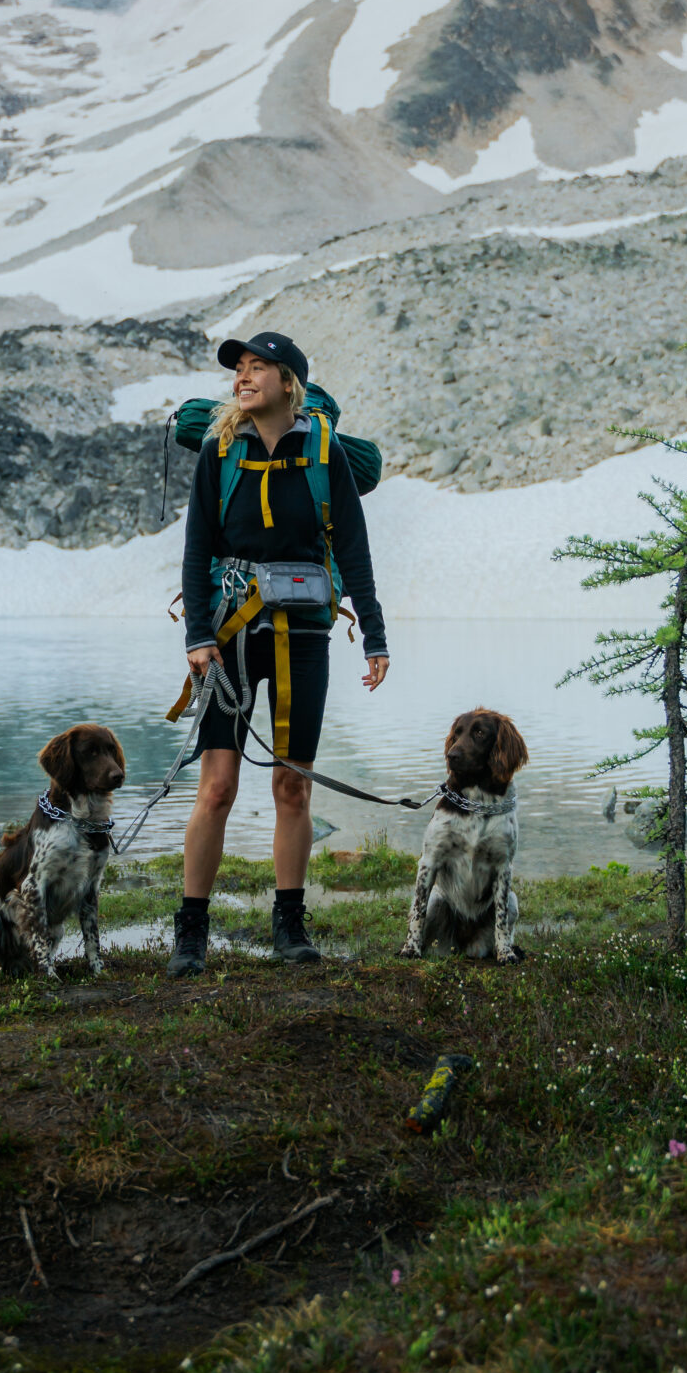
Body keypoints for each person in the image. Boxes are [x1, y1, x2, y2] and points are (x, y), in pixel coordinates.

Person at [168, 331, 389, 978]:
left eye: (256, 367)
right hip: (228, 635)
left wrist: (373, 634)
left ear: (288, 381)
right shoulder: (219, 450)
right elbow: (195, 546)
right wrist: (198, 636)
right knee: (216, 788)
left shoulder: (325, 454)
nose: (242, 377)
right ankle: (191, 932)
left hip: (304, 635)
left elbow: (353, 547)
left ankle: (289, 927)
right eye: (238, 368)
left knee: (292, 786)